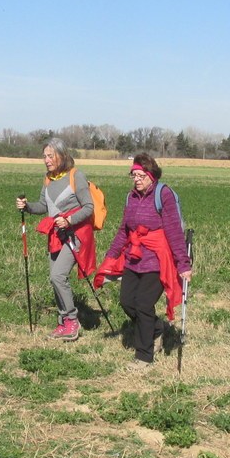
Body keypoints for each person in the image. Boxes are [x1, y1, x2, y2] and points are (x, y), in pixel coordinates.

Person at [95, 154, 193, 372]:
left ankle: (144, 357)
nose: (136, 179)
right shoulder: (131, 198)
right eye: (133, 175)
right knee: (127, 301)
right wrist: (111, 256)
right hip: (135, 257)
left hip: (158, 259)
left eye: (141, 175)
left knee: (143, 304)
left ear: (151, 175)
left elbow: (174, 231)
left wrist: (183, 264)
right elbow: (124, 230)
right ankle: (157, 328)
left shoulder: (163, 194)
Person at [16, 138, 95, 341]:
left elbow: (88, 207)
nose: (46, 160)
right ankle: (63, 322)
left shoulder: (75, 176)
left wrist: (69, 220)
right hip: (56, 236)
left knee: (58, 276)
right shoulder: (48, 178)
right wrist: (27, 207)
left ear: (62, 155)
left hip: (74, 235)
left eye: (50, 156)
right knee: (55, 279)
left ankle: (72, 321)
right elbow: (44, 206)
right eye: (44, 156)